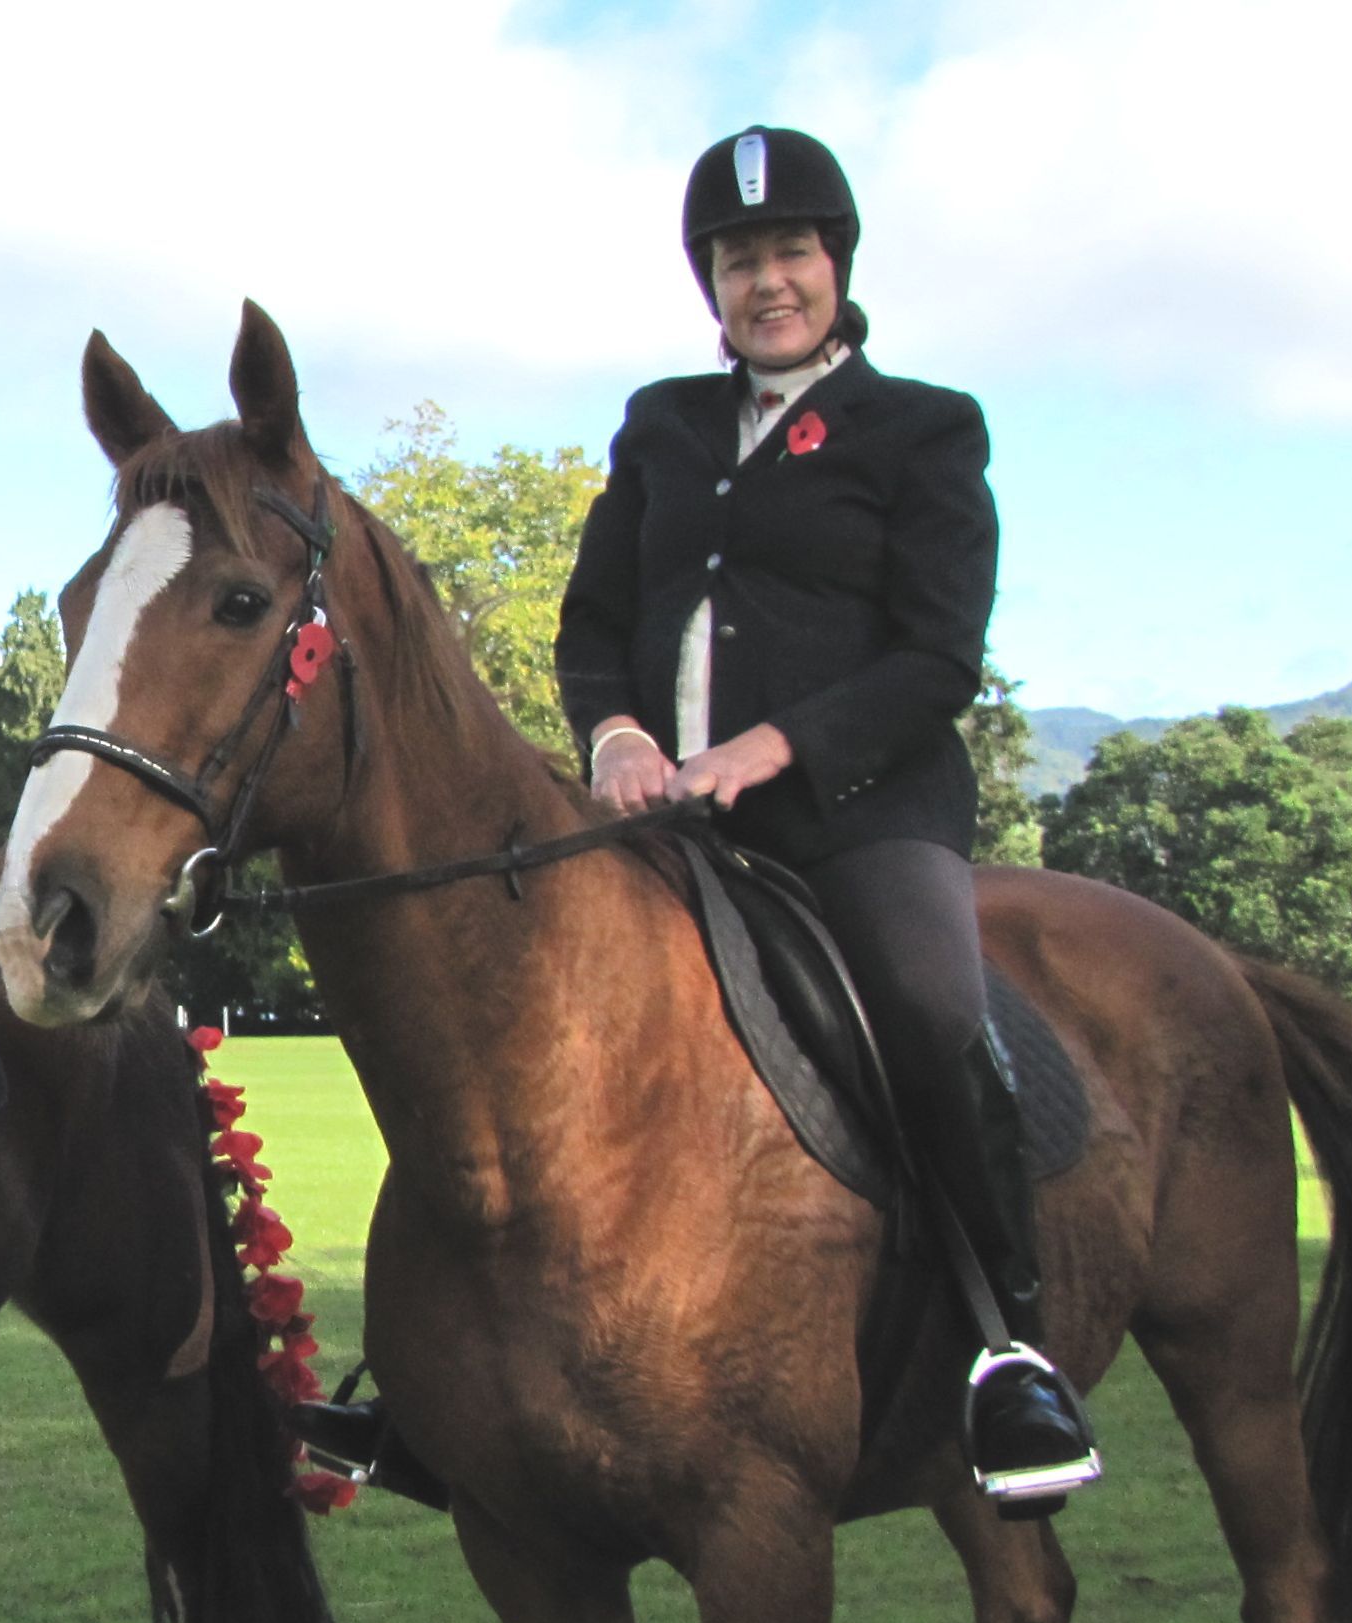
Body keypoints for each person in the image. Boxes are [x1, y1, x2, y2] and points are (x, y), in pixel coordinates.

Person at [300, 125, 1095, 1511]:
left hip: (856, 815)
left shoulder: (923, 428)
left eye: (787, 251)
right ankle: (428, 1385)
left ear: (835, 262)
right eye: (736, 260)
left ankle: (1003, 1344)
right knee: (481, 1020)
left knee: (921, 1001)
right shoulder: (660, 423)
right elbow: (595, 620)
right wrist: (611, 735)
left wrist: (771, 747)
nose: (765, 281)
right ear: (707, 283)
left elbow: (933, 655)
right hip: (660, 821)